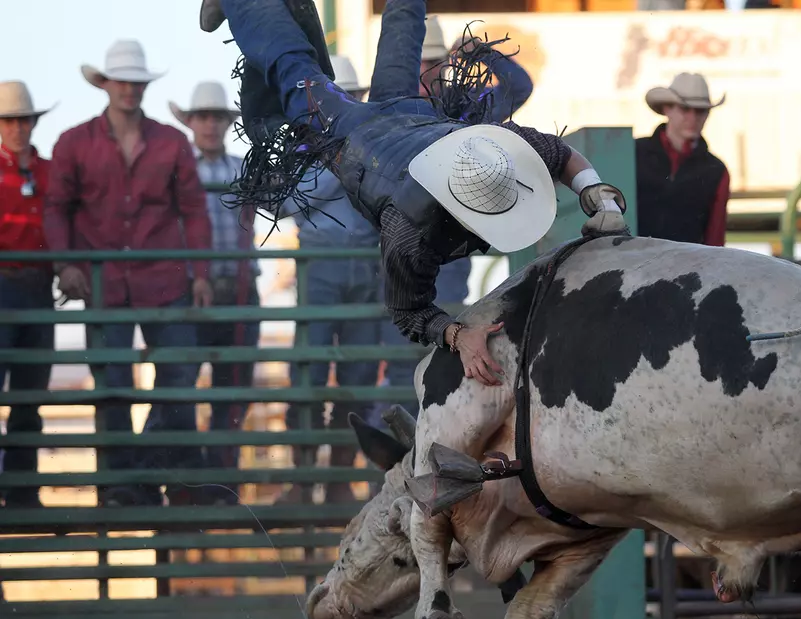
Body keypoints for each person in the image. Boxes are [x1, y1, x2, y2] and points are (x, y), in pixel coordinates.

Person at [202, 0, 629, 387]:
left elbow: (560, 152)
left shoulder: (492, 154)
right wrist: (460, 336)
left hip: (411, 117)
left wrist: (598, 195)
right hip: (352, 133)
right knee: (293, 68)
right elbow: (408, 311)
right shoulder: (410, 226)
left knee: (397, 32)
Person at [44, 40, 214, 507]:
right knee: (113, 384)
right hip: (104, 281)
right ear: (105, 84)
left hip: (164, 277)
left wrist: (200, 273)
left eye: (136, 82)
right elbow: (57, 209)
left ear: (144, 86)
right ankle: (123, 484)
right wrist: (66, 264)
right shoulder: (73, 142)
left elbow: (194, 210)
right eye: (121, 81)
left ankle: (158, 476)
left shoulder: (170, 142)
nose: (129, 90)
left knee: (178, 374)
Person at [377, 12, 537, 419]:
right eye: (424, 64)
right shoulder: (419, 114)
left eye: (436, 63)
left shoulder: (458, 109)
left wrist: (480, 51)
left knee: (438, 349)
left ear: (447, 66)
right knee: (403, 352)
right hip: (408, 249)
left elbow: (519, 87)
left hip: (441, 251)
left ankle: (425, 439)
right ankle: (404, 445)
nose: (430, 72)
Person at [277, 54, 381, 505]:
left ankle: (336, 479)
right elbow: (283, 202)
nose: (348, 105)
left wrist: (332, 166)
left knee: (356, 375)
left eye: (352, 97)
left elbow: (294, 199)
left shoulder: (342, 147)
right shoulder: (306, 146)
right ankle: (303, 482)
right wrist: (345, 166)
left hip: (361, 262)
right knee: (310, 372)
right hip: (321, 263)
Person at [169, 80, 258, 506]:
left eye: (216, 117)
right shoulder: (178, 169)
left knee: (232, 390)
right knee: (184, 387)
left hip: (238, 289)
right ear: (190, 122)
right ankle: (190, 485)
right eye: (202, 117)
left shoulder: (244, 168)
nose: (209, 125)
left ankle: (221, 485)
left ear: (226, 123)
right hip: (191, 289)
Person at [0, 81, 56, 509]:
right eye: (10, 121)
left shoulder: (48, 171)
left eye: (23, 120)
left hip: (37, 287)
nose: (18, 128)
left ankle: (22, 490)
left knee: (29, 395)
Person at [636, 73, 730, 247]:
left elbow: (715, 240)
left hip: (686, 269)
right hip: (631, 265)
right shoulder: (634, 153)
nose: (693, 118)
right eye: (685, 109)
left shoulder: (716, 171)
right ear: (667, 109)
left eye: (700, 111)